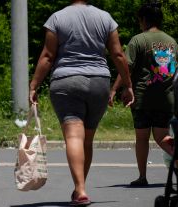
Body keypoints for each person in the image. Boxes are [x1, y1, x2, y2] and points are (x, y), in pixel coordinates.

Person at [29, 0, 134, 205]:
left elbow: (48, 56)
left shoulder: (57, 18)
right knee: (87, 139)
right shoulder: (106, 18)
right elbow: (118, 54)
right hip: (99, 82)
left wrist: (34, 85)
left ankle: (80, 189)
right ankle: (80, 189)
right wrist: (127, 84)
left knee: (74, 136)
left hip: (66, 81)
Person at [109, 2, 178, 187]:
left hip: (143, 97)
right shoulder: (172, 42)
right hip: (167, 98)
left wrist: (115, 89)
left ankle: (142, 177)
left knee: (142, 137)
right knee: (163, 136)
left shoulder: (138, 40)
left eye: (140, 20)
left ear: (144, 19)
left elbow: (127, 66)